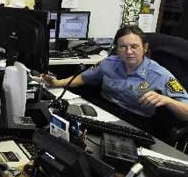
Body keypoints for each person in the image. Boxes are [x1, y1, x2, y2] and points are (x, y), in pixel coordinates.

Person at [42, 25, 188, 123]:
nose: (129, 51)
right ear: (117, 49)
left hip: (135, 121)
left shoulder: (160, 75)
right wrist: (57, 83)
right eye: (123, 47)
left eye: (134, 47)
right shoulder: (109, 62)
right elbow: (83, 77)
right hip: (103, 112)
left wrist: (167, 100)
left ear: (145, 48)